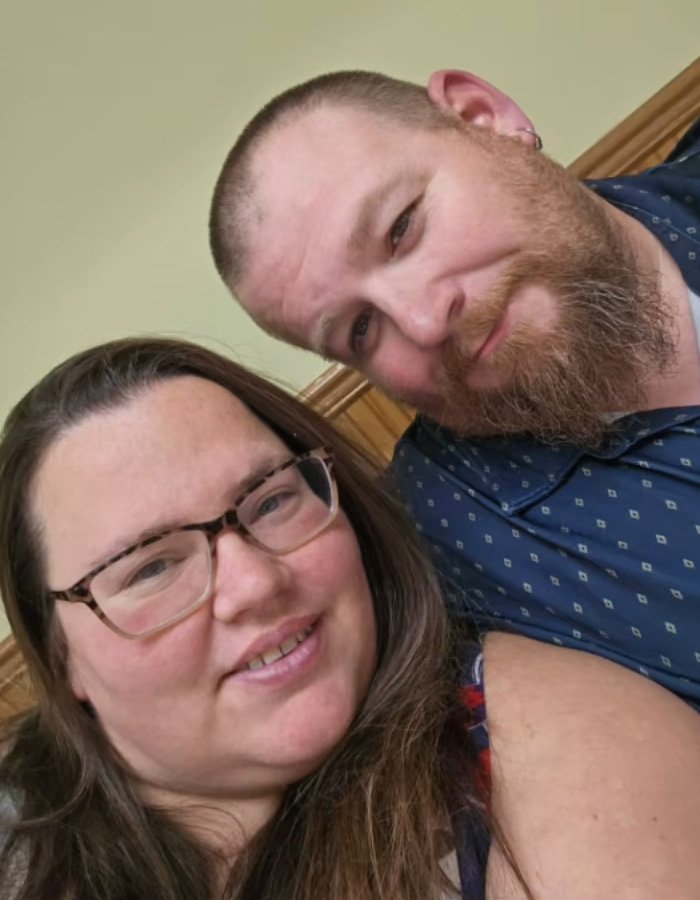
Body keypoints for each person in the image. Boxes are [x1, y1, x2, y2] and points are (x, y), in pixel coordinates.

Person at [1, 338, 700, 899]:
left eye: (271, 501)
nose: (254, 582)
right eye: (152, 567)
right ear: (63, 662)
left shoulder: (558, 745)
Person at [208, 69, 700, 706]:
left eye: (402, 228)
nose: (422, 321)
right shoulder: (442, 546)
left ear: (482, 116)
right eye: (361, 330)